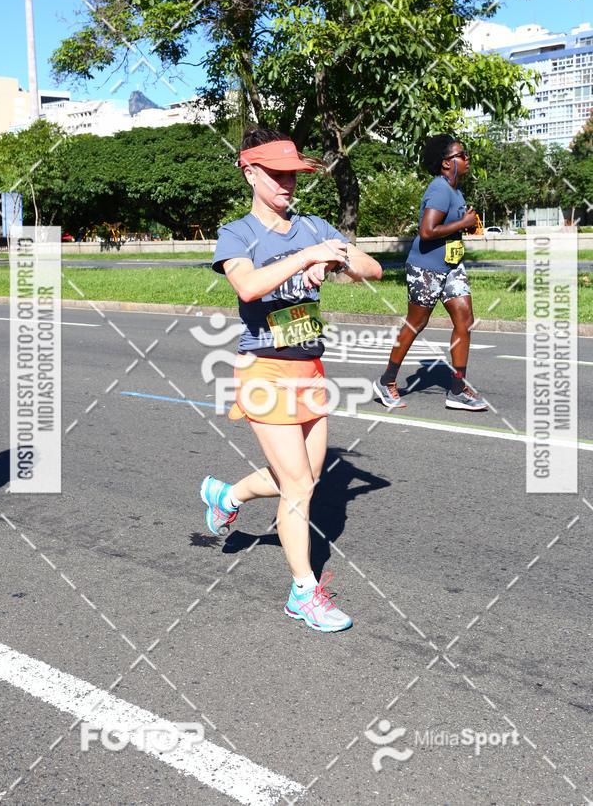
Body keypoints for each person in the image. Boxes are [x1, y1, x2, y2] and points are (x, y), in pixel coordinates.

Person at [200, 127, 382, 632]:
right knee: (298, 483)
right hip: (264, 369)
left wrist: (335, 256)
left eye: (293, 175)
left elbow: (375, 269)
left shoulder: (315, 225)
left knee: (297, 479)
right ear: (250, 172)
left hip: (309, 367)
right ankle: (304, 591)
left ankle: (227, 496)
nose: (287, 184)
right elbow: (249, 284)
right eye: (277, 174)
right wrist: (304, 258)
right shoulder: (238, 234)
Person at [374, 133, 487, 411]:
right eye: (461, 155)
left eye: (465, 153)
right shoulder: (438, 189)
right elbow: (427, 232)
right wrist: (464, 221)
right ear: (446, 163)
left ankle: (458, 388)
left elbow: (450, 227)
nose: (466, 158)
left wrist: (466, 225)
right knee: (416, 323)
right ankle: (386, 380)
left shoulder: (456, 190)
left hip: (451, 267)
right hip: (426, 268)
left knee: (465, 319)